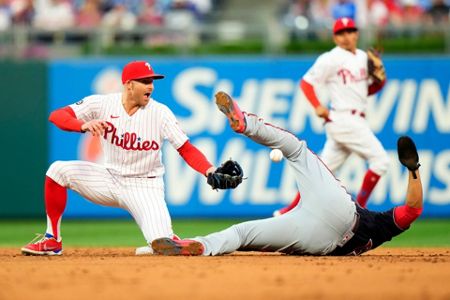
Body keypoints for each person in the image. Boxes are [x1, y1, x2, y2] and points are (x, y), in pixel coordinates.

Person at [151, 91, 423, 256]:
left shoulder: (378, 223)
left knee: (296, 152)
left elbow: (411, 211)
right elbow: (412, 209)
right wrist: (413, 170)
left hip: (324, 223)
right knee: (244, 231)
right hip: (328, 240)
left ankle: (246, 124)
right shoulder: (382, 227)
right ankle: (197, 246)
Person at [21, 60, 218, 256]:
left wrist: (209, 170)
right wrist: (81, 125)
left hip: (145, 186)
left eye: (152, 81)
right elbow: (57, 115)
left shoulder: (160, 113)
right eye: (145, 81)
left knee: (162, 243)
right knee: (57, 171)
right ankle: (52, 240)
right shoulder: (103, 103)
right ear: (129, 84)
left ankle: (178, 241)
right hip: (109, 178)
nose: (151, 86)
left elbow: (186, 149)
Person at [274, 17, 388, 216]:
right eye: (341, 33)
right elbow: (306, 83)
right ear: (335, 37)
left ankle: (286, 212)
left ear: (357, 34)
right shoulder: (331, 58)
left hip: (353, 119)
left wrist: (381, 81)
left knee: (321, 173)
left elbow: (365, 90)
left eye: (350, 31)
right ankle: (360, 209)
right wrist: (317, 106)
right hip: (344, 119)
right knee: (381, 161)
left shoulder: (363, 57)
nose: (346, 36)